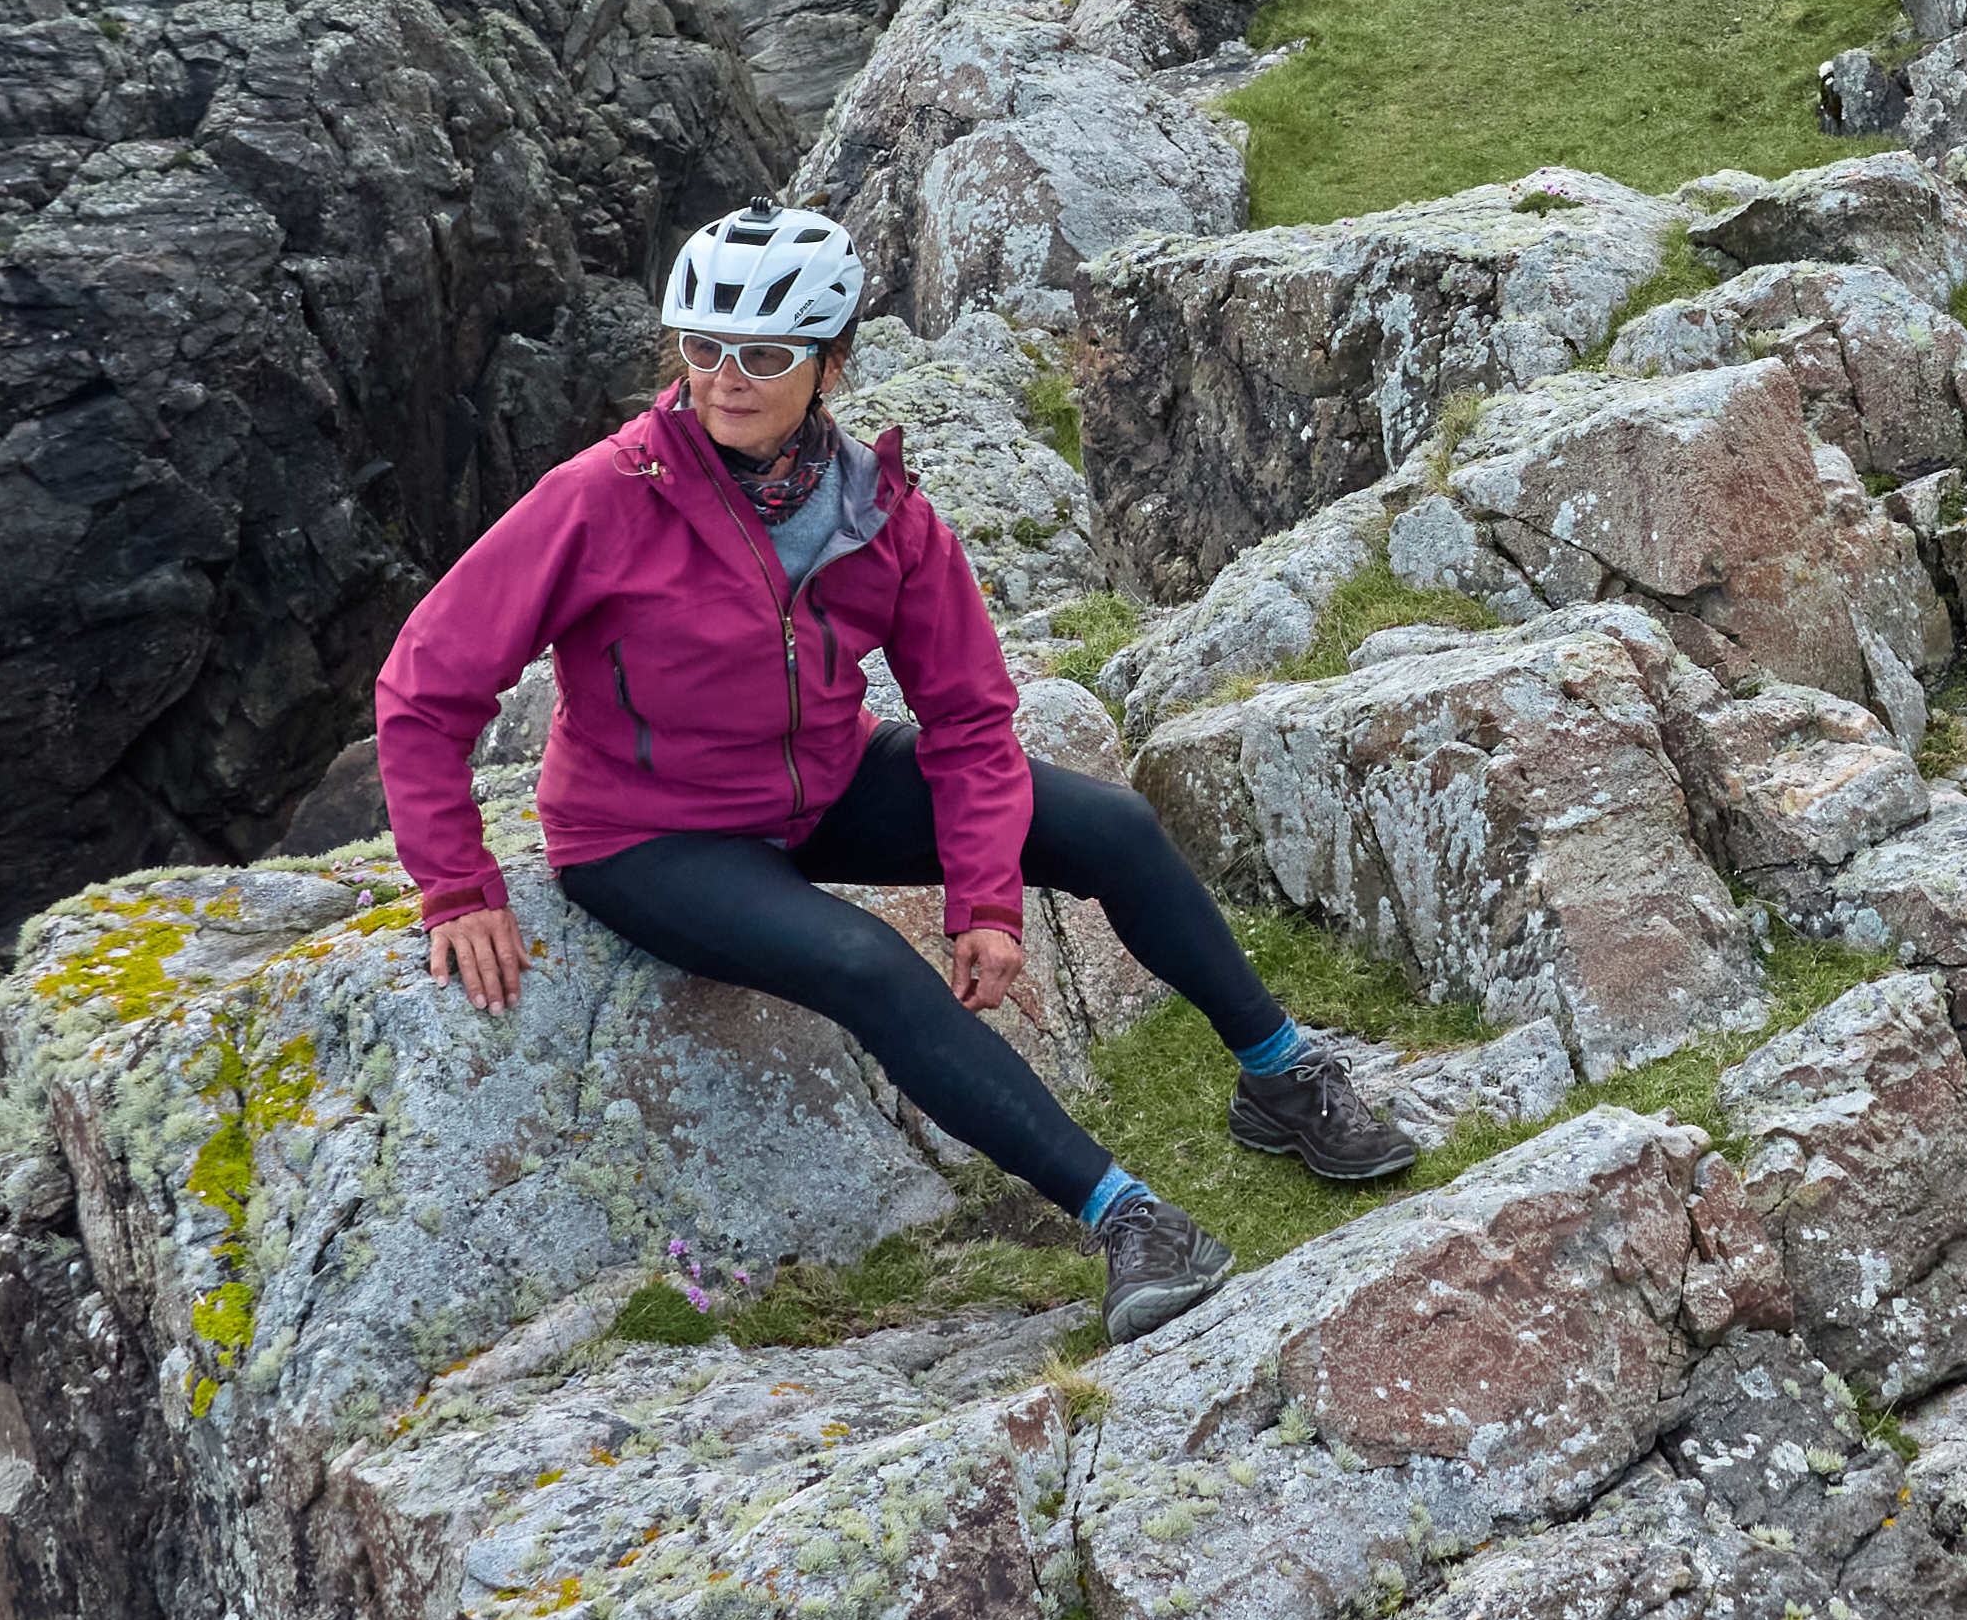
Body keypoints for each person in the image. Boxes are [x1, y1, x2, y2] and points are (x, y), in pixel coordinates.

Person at [371, 199, 1422, 1340]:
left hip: (820, 784)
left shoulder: (881, 509)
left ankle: (1281, 1071)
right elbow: (425, 686)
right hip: (646, 836)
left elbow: (967, 715)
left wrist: (984, 893)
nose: (725, 377)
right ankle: (1127, 1219)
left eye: (763, 354)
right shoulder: (601, 497)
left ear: (828, 365)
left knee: (1109, 826)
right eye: (702, 347)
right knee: (863, 958)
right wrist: (460, 882)